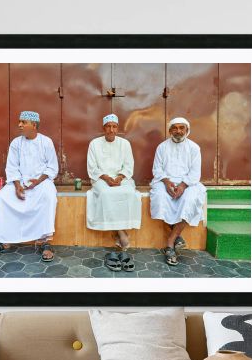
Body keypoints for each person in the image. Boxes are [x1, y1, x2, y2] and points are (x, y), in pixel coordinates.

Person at [0, 110, 59, 262]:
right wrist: (17, 185)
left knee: (49, 197)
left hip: (41, 182)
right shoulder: (16, 143)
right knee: (1, 198)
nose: (19, 125)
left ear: (34, 125)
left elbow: (52, 167)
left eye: (23, 122)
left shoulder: (46, 142)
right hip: (19, 181)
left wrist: (38, 181)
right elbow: (12, 167)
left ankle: (44, 242)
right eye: (19, 122)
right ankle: (2, 241)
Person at [85, 113, 141, 271]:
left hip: (121, 178)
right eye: (108, 126)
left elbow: (129, 166)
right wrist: (107, 178)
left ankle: (119, 232)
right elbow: (92, 167)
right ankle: (121, 232)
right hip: (101, 178)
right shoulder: (94, 144)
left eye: (114, 126)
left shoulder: (125, 144)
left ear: (117, 128)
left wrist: (120, 178)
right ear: (104, 128)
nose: (111, 129)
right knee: (106, 194)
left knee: (129, 193)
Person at [150, 116, 207, 266]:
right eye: (175, 128)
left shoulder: (194, 148)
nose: (178, 131)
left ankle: (170, 243)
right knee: (159, 198)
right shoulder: (162, 147)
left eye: (182, 128)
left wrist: (182, 185)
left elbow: (195, 173)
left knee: (190, 199)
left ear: (187, 130)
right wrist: (167, 182)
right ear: (170, 131)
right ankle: (177, 237)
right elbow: (157, 169)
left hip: (188, 183)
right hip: (165, 181)